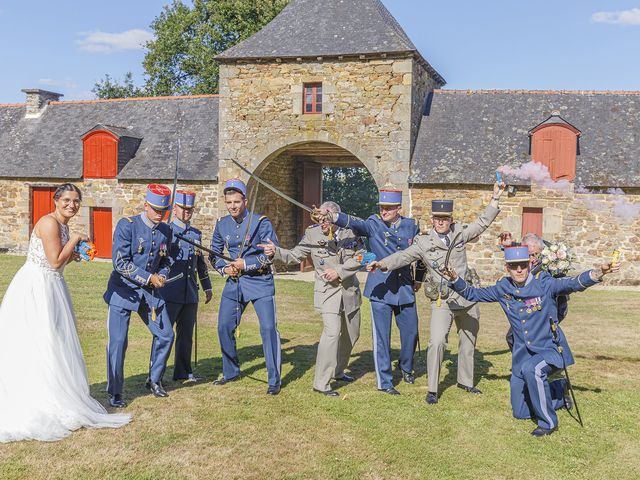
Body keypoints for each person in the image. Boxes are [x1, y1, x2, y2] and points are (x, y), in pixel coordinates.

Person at [440, 245, 619, 436]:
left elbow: (573, 283)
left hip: (550, 350)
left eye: (523, 265)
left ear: (529, 264)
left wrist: (599, 272)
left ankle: (548, 423)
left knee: (533, 369)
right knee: (520, 413)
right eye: (514, 266)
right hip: (522, 356)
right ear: (507, 268)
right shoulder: (503, 288)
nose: (519, 270)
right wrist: (454, 279)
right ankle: (558, 388)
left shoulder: (545, 284)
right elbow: (473, 294)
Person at [0, 183, 130, 442]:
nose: (72, 205)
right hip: (37, 287)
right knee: (40, 341)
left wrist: (76, 254)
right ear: (56, 200)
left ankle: (55, 392)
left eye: (76, 201)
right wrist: (76, 239)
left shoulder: (63, 225)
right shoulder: (49, 224)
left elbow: (61, 260)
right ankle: (35, 397)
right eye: (67, 200)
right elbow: (54, 261)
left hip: (53, 286)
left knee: (56, 341)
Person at [367, 182, 504, 404]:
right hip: (444, 300)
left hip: (467, 298)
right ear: (432, 220)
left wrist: (495, 198)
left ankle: (465, 381)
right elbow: (403, 256)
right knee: (437, 342)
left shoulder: (460, 234)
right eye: (437, 218)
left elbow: (482, 223)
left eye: (445, 218)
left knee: (468, 341)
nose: (441, 222)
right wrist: (381, 264)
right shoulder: (423, 242)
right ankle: (432, 388)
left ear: (451, 220)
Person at [315, 189, 426, 395]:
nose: (383, 211)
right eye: (381, 208)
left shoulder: (411, 226)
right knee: (381, 338)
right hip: (380, 290)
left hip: (404, 288)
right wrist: (332, 216)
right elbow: (353, 222)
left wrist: (419, 278)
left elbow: (422, 253)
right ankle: (384, 381)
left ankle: (406, 367)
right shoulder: (373, 224)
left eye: (388, 208)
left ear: (398, 209)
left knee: (411, 333)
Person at [260, 201, 363, 396]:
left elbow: (362, 257)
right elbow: (296, 255)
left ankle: (338, 371)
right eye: (320, 219)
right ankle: (321, 383)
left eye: (327, 219)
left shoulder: (351, 231)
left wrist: (340, 271)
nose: (323, 223)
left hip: (350, 292)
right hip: (327, 291)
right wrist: (276, 252)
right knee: (332, 333)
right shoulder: (312, 233)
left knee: (352, 335)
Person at [209, 179, 282, 395]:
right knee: (223, 327)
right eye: (229, 202)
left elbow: (271, 254)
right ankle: (231, 371)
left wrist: (246, 264)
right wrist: (225, 269)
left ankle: (273, 380)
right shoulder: (222, 224)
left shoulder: (261, 222)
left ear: (245, 201)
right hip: (235, 283)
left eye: (237, 202)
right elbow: (214, 254)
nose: (232, 206)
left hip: (259, 282)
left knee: (268, 329)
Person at [104, 184, 174, 407]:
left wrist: (162, 275)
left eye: (163, 211)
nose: (159, 214)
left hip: (150, 294)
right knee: (118, 342)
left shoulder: (166, 231)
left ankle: (154, 380)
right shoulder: (128, 226)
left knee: (165, 335)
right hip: (123, 291)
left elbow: (166, 260)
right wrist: (148, 277)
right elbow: (120, 263)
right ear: (146, 205)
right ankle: (114, 392)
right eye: (155, 209)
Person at [160, 190, 213, 382]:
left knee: (186, 334)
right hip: (169, 290)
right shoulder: (166, 231)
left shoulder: (195, 234)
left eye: (189, 209)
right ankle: (155, 374)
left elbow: (200, 263)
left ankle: (183, 372)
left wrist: (207, 286)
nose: (185, 212)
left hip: (190, 292)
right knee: (164, 334)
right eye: (182, 208)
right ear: (174, 209)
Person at [500, 232, 570, 351]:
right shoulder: (522, 261)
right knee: (512, 337)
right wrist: (507, 246)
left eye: (534, 255)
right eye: (528, 255)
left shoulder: (552, 261)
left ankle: (543, 363)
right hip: (529, 307)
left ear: (542, 251)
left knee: (530, 338)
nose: (531, 259)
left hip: (551, 308)